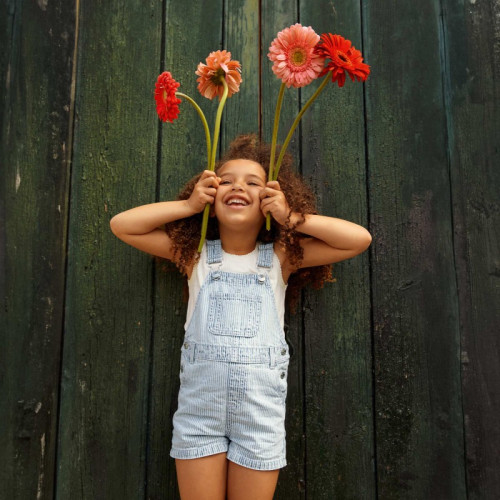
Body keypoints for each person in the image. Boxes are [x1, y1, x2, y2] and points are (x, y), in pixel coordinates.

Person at [109, 134, 372, 500]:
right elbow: (123, 225)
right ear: (211, 200)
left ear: (269, 200)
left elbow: (357, 239)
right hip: (201, 417)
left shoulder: (281, 258)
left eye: (253, 183)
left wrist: (291, 217)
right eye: (225, 181)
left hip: (259, 421)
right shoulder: (196, 256)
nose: (238, 187)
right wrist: (187, 207)